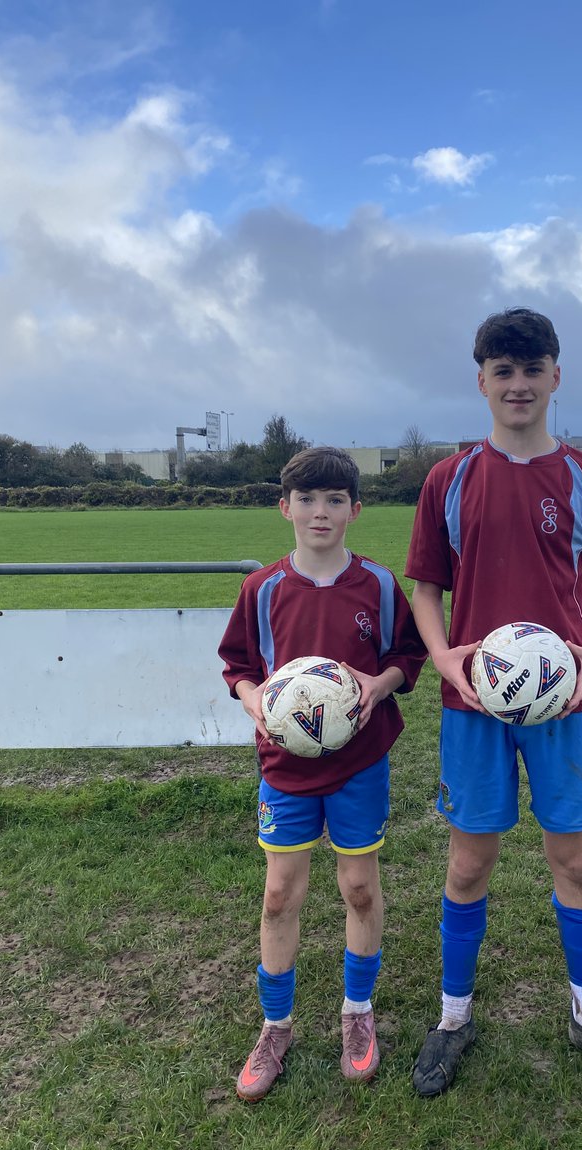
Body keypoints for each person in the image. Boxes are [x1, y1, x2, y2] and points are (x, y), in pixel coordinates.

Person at [405, 308, 582, 1098]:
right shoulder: (449, 480)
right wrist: (444, 656)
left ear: (556, 376)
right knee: (469, 861)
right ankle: (452, 1019)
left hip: (565, 705)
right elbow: (426, 590)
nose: (518, 384)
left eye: (532, 368)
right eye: (502, 370)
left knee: (574, 859)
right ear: (481, 381)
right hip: (472, 707)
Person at [219, 446, 426, 1102]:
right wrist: (258, 703)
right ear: (285, 508)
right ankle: (275, 1026)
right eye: (307, 500)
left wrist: (382, 680)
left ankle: (357, 1013)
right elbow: (239, 666)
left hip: (359, 764)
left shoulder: (379, 585)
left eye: (335, 500)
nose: (320, 512)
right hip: (285, 765)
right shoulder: (263, 590)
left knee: (360, 887)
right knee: (280, 892)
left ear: (355, 511)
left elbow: (406, 654)